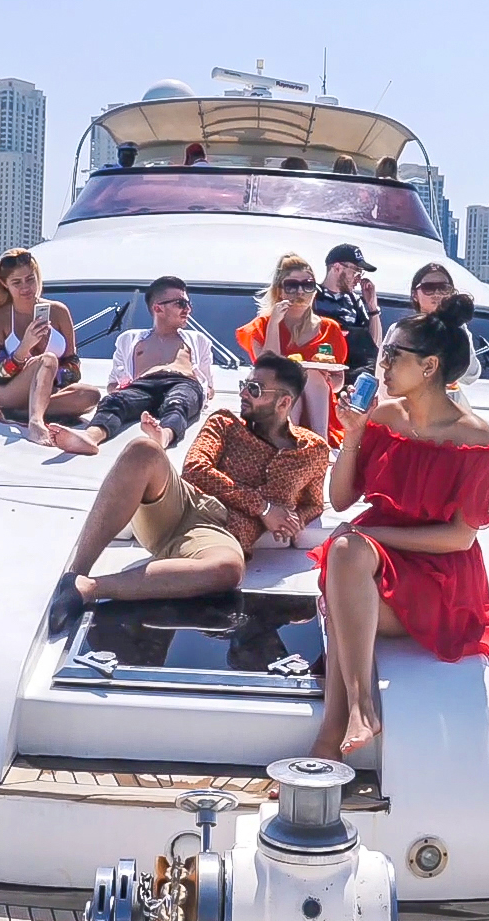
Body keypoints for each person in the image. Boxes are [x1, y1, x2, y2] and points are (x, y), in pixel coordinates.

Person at [309, 295, 489, 758]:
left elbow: (459, 538)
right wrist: (353, 433)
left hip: (439, 576)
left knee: (346, 563)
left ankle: (339, 727)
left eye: (393, 354)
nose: (382, 363)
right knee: (345, 557)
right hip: (371, 563)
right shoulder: (385, 418)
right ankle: (355, 715)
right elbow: (341, 499)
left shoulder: (474, 437)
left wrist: (369, 534)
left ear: (429, 366)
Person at [47, 354, 329, 635]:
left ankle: (87, 588)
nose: (243, 393)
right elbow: (195, 470)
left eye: (254, 389)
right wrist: (264, 509)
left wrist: (291, 521)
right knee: (143, 450)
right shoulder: (224, 422)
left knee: (229, 569)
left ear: (283, 402)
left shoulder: (314, 451)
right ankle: (76, 572)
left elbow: (314, 503)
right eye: (244, 385)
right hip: (181, 504)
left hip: (220, 534)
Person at [50, 276, 215, 455]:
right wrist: (119, 392)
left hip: (183, 382)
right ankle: (90, 436)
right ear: (158, 308)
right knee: (113, 401)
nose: (188, 309)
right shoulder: (129, 339)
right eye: (181, 303)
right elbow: (113, 384)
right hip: (142, 386)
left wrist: (202, 393)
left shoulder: (198, 340)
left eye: (189, 304)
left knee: (179, 401)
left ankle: (164, 435)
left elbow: (208, 386)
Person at [0, 248, 98, 445]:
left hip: (50, 390)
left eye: (30, 279)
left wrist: (50, 377)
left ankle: (21, 412)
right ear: (4, 284)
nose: (26, 287)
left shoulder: (59, 312)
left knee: (91, 395)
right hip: (9, 391)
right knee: (48, 359)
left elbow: (73, 367)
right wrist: (25, 348)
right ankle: (35, 422)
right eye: (16, 282)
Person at [235, 254, 349, 443]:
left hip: (321, 414)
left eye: (308, 285)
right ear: (280, 291)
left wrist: (323, 377)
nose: (300, 292)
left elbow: (338, 383)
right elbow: (266, 369)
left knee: (311, 375)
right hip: (275, 412)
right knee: (289, 379)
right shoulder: (261, 326)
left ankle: (319, 444)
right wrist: (274, 324)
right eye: (291, 286)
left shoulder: (330, 328)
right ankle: (287, 441)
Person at [386, 263, 482, 386]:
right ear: (415, 295)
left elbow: (471, 376)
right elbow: (385, 371)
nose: (437, 294)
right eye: (428, 288)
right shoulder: (400, 330)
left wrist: (457, 328)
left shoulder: (458, 330)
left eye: (444, 288)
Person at [314, 243, 384, 374]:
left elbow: (373, 346)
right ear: (337, 267)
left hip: (350, 371)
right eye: (356, 271)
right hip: (319, 368)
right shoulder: (313, 296)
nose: (359, 279)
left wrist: (372, 307)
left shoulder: (354, 301)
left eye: (361, 273)